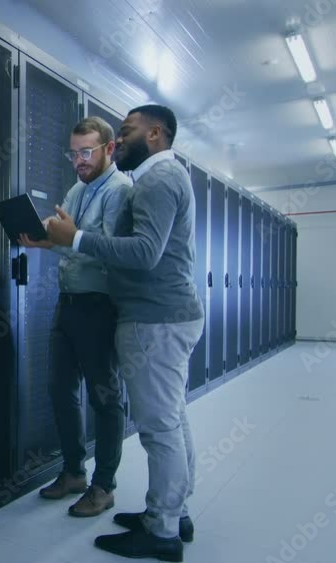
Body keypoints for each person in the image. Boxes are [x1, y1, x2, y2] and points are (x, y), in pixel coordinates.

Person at [43, 104, 204, 562]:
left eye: (127, 132)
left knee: (159, 426)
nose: (120, 140)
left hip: (157, 317)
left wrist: (73, 239)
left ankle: (163, 530)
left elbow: (146, 252)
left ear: (155, 134)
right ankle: (174, 511)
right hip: (164, 314)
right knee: (171, 417)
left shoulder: (157, 179)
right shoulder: (160, 178)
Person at [19, 116, 132, 518]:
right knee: (60, 389)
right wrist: (41, 237)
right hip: (67, 303)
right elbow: (65, 235)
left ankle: (104, 485)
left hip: (99, 305)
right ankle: (73, 472)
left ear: (109, 149)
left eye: (87, 152)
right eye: (74, 153)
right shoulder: (77, 188)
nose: (79, 160)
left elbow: (109, 249)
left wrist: (60, 241)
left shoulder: (120, 191)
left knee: (105, 397)